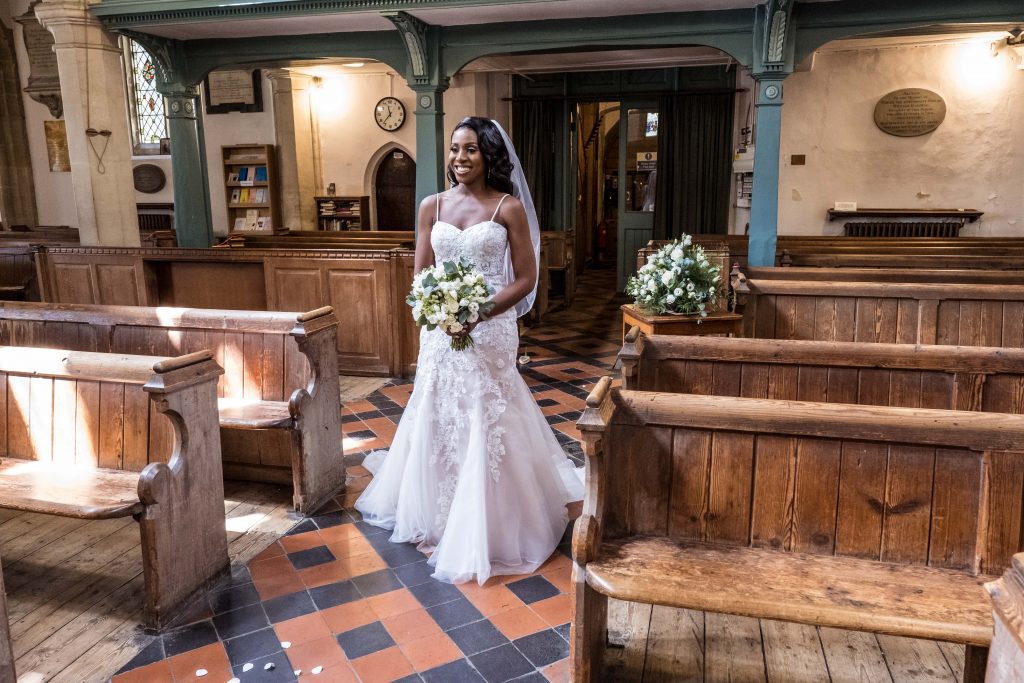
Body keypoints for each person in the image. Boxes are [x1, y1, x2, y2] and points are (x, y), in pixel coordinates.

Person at [356, 117, 584, 585]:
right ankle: (440, 512)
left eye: (472, 150)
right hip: (441, 329)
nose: (460, 158)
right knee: (439, 410)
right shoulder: (431, 206)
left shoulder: (508, 208)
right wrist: (438, 309)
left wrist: (479, 310)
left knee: (486, 412)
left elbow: (526, 278)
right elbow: (421, 276)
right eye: (455, 150)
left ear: (489, 156)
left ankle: (489, 519)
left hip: (491, 328)